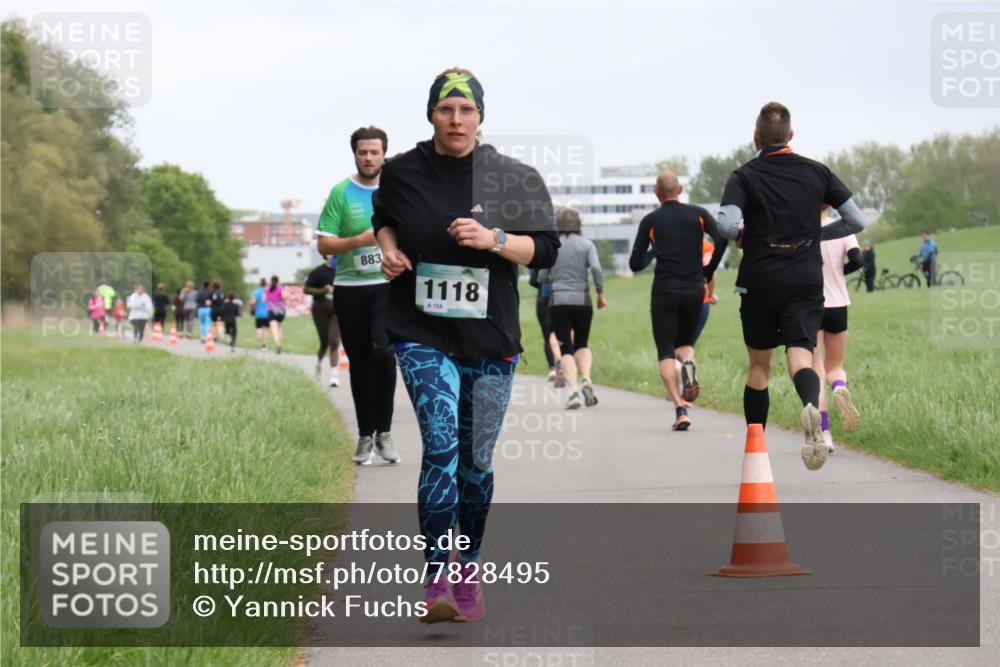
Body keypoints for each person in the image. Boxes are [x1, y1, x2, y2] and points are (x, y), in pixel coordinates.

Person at [373, 67, 559, 624]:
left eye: (467, 110)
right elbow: (385, 219)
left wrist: (495, 239)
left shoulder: (514, 177)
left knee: (475, 463)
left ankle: (468, 564)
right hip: (421, 331)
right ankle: (435, 579)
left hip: (490, 337)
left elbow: (545, 250)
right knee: (439, 447)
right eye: (446, 110)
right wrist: (388, 249)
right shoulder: (402, 172)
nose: (456, 120)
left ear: (481, 116)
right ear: (431, 114)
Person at [716, 101, 871, 471]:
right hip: (805, 278)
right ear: (791, 136)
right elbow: (856, 220)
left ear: (756, 137)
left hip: (759, 280)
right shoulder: (818, 172)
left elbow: (725, 226)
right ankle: (809, 405)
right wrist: (816, 233)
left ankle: (756, 450)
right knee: (802, 356)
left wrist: (744, 233)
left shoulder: (744, 176)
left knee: (759, 368)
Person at [316, 126, 398, 465]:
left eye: (374, 152)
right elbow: (324, 243)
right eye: (363, 152)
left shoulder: (396, 189)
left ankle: (386, 432)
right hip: (350, 289)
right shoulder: (341, 192)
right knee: (361, 364)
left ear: (384, 154)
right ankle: (366, 435)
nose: (368, 158)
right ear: (355, 154)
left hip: (387, 287)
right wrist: (358, 241)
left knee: (384, 355)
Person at [629, 171, 726, 431]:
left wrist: (653, 251)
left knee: (665, 351)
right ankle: (689, 364)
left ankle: (680, 408)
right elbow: (722, 238)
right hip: (695, 290)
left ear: (655, 192)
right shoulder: (698, 215)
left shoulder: (651, 220)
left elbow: (635, 264)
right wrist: (707, 271)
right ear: (680, 189)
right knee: (685, 344)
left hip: (665, 291)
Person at [538, 207, 606, 409]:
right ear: (578, 225)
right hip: (583, 300)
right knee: (582, 344)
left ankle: (574, 391)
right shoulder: (587, 245)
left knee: (565, 346)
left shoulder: (553, 245)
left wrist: (551, 279)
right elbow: (596, 268)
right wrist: (600, 292)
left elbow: (542, 276)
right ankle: (586, 378)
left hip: (558, 301)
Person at [813, 205, 864, 453]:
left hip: (810, 305)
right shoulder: (842, 227)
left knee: (816, 372)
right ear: (831, 205)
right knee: (835, 367)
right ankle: (840, 388)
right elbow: (858, 259)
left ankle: (825, 434)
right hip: (838, 304)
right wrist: (839, 274)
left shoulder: (802, 228)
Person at [303, 255, 342, 387]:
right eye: (331, 253)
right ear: (325, 255)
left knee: (334, 341)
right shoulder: (318, 272)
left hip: (337, 311)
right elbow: (306, 289)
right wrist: (323, 290)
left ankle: (334, 375)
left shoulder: (343, 270)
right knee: (324, 342)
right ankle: (319, 362)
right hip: (320, 309)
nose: (334, 256)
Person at [528, 267, 560, 382]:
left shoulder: (542, 255)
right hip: (562, 296)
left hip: (543, 297)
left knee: (547, 336)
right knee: (563, 333)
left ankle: (552, 368)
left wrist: (541, 286)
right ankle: (563, 365)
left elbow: (532, 280)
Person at [265, 276, 286, 354]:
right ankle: (279, 343)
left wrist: (270, 299)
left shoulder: (267, 289)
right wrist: (280, 300)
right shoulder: (280, 288)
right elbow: (284, 297)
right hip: (280, 309)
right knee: (279, 327)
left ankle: (277, 344)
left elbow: (264, 299)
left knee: (274, 328)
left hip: (271, 309)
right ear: (278, 281)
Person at [249, 278, 271, 350]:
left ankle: (259, 337)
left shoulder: (255, 292)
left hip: (258, 314)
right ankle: (264, 345)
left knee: (259, 328)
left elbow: (253, 302)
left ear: (260, 284)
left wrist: (251, 307)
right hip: (268, 313)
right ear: (266, 284)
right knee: (266, 329)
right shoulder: (268, 291)